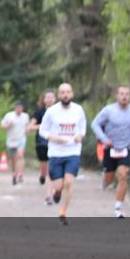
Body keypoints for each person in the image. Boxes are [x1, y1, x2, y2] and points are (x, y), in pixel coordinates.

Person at [91, 85, 130, 218]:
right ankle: (106, 180)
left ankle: (118, 208)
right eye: (121, 94)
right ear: (117, 96)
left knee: (123, 175)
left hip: (125, 148)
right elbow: (95, 124)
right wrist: (104, 139)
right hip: (110, 148)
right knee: (109, 178)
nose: (124, 97)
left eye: (127, 94)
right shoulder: (108, 110)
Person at [38, 83, 88, 224]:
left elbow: (83, 127)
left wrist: (80, 135)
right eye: (62, 92)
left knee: (69, 182)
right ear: (59, 95)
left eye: (68, 92)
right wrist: (53, 138)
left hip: (73, 151)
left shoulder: (78, 110)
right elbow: (42, 130)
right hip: (55, 153)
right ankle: (57, 192)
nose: (65, 95)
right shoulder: (52, 111)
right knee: (59, 186)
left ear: (72, 94)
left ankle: (63, 212)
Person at [26, 89, 56, 192]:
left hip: (55, 142)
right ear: (43, 99)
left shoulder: (59, 112)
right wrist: (42, 126)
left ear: (55, 99)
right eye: (47, 97)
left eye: (52, 97)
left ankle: (51, 187)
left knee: (52, 166)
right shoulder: (39, 112)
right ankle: (43, 176)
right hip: (41, 142)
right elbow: (30, 127)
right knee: (44, 167)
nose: (50, 99)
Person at [0, 101, 30, 185]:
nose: (19, 109)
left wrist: (28, 130)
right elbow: (2, 126)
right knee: (13, 159)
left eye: (20, 108)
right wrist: (8, 125)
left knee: (20, 155)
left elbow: (27, 126)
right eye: (17, 107)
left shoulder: (25, 116)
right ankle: (14, 174)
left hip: (21, 139)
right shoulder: (9, 115)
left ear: (22, 108)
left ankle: (20, 174)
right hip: (11, 140)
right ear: (15, 108)